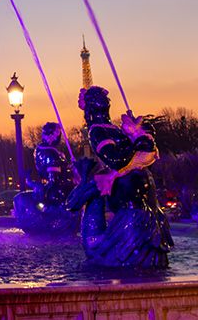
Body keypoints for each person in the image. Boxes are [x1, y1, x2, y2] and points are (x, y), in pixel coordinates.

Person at [66, 86, 173, 268]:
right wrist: (139, 140)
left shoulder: (98, 131)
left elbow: (116, 159)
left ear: (88, 109)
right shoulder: (115, 130)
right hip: (142, 201)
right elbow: (134, 155)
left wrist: (138, 137)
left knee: (115, 260)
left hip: (133, 211)